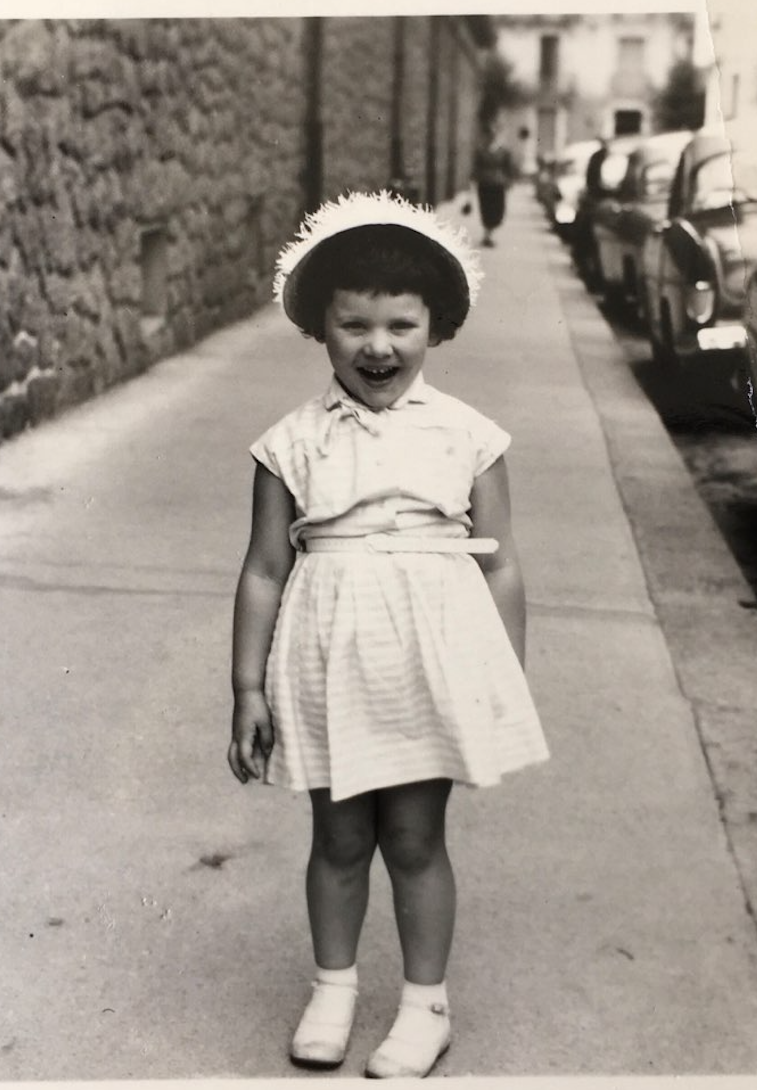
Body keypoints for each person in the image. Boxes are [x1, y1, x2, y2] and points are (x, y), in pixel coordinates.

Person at [228, 191, 548, 1078]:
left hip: (425, 664)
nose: (378, 347)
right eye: (354, 325)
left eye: (401, 325)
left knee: (413, 839)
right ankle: (333, 988)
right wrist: (247, 687)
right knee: (336, 839)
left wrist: (501, 676)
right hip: (328, 661)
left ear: (434, 329)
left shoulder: (469, 437)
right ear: (320, 330)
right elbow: (263, 568)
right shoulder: (290, 444)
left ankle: (423, 1007)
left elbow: (502, 563)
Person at [470, 127, 518, 247]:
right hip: (484, 183)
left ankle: (491, 232)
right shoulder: (481, 150)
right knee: (485, 208)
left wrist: (509, 182)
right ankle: (488, 234)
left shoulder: (504, 151)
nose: (492, 138)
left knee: (498, 209)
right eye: (489, 136)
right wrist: (472, 180)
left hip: (498, 184)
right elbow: (476, 167)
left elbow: (509, 168)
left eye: (494, 136)